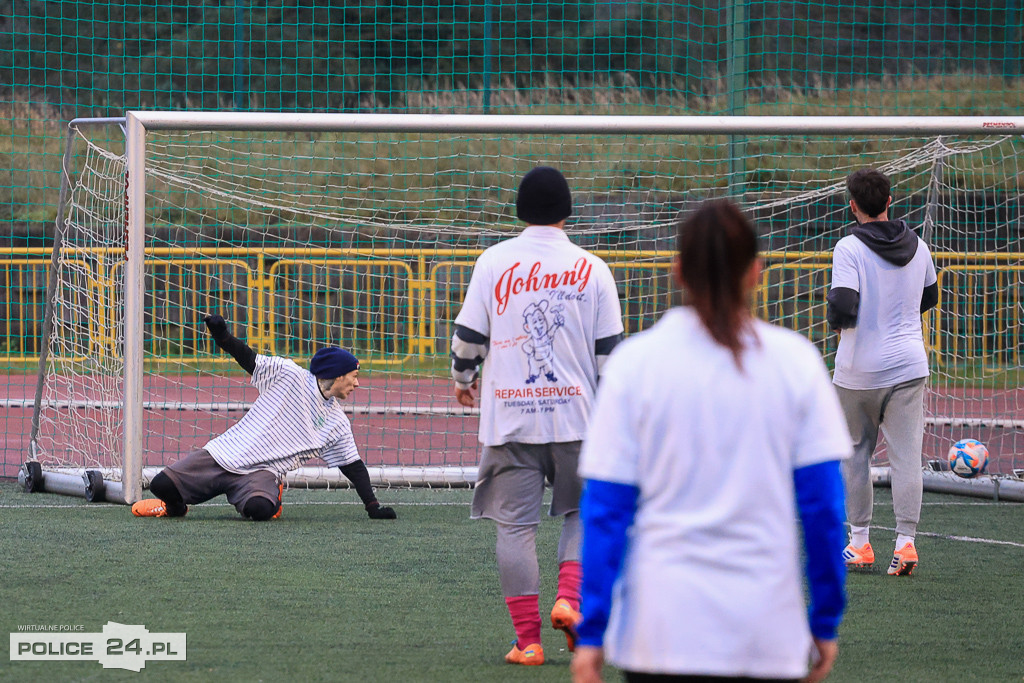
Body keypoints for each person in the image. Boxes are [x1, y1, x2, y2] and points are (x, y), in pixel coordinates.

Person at [572, 200, 851, 683]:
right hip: (763, 632)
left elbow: (606, 510)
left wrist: (592, 633)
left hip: (660, 631)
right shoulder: (797, 362)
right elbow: (824, 509)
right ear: (756, 272)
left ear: (677, 271)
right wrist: (825, 619)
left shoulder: (635, 365)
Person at [450, 166, 624, 665]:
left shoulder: (493, 261)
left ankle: (527, 642)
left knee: (514, 527)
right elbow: (610, 354)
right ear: (568, 212)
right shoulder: (593, 268)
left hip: (510, 420)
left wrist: (464, 381)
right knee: (583, 512)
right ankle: (569, 598)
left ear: (519, 212)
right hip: (578, 419)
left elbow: (468, 339)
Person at [131, 314, 397, 522]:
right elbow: (249, 359)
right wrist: (222, 336)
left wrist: (372, 506)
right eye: (354, 376)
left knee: (260, 510)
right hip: (225, 453)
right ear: (338, 375)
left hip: (261, 472)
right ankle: (175, 508)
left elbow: (352, 466)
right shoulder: (290, 374)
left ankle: (272, 493)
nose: (358, 384)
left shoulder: (337, 423)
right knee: (161, 485)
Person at [827, 168, 939, 577]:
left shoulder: (848, 247)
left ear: (853, 205)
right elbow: (929, 296)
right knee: (907, 457)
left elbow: (842, 304)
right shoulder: (919, 246)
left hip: (860, 369)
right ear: (890, 202)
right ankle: (906, 543)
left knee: (856, 452)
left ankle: (859, 544)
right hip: (910, 365)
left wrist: (841, 325)